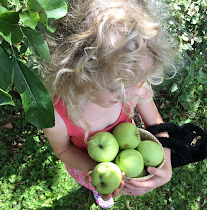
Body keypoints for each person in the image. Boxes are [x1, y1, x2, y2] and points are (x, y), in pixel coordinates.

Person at [42, 0, 176, 208]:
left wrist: (165, 164)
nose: (131, 94)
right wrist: (99, 174)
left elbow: (156, 124)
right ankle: (99, 191)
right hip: (88, 165)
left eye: (138, 81)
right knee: (101, 186)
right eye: (116, 89)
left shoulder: (133, 85)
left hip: (130, 153)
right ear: (81, 74)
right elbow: (64, 150)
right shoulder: (56, 112)